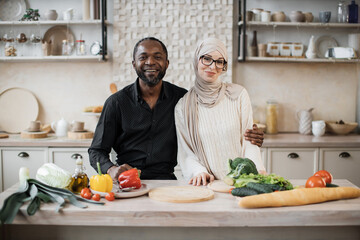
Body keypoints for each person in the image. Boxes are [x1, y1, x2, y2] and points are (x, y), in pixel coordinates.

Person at [89, 37, 264, 181]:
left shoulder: (182, 100)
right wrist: (111, 169)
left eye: (157, 57)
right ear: (134, 63)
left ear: (167, 63)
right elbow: (96, 151)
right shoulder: (116, 103)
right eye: (143, 57)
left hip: (166, 182)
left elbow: (208, 129)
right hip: (126, 181)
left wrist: (251, 138)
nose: (150, 62)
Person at [175, 38, 266, 186]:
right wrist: (198, 171)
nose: (213, 66)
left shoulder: (238, 95)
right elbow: (186, 151)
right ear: (196, 60)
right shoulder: (183, 106)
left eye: (219, 61)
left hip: (241, 181)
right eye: (207, 59)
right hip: (207, 183)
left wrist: (255, 171)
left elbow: (250, 141)